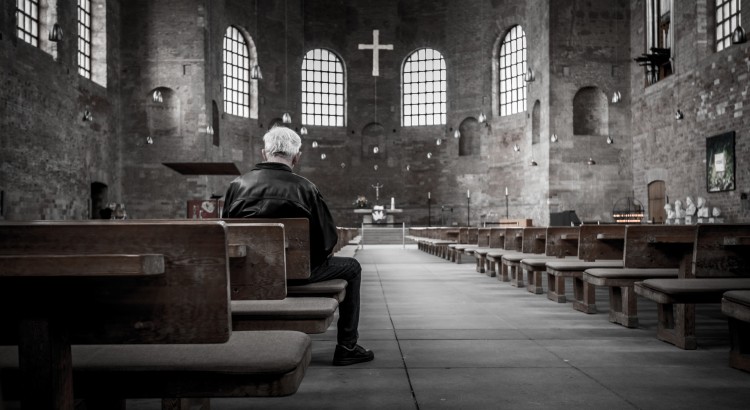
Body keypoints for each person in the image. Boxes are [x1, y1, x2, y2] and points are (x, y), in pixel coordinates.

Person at [221, 126, 374, 366]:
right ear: (297, 157)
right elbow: (328, 241)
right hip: (301, 275)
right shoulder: (306, 188)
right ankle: (347, 346)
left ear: (263, 153)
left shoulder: (236, 186)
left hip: (251, 275)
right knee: (352, 267)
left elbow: (227, 235)